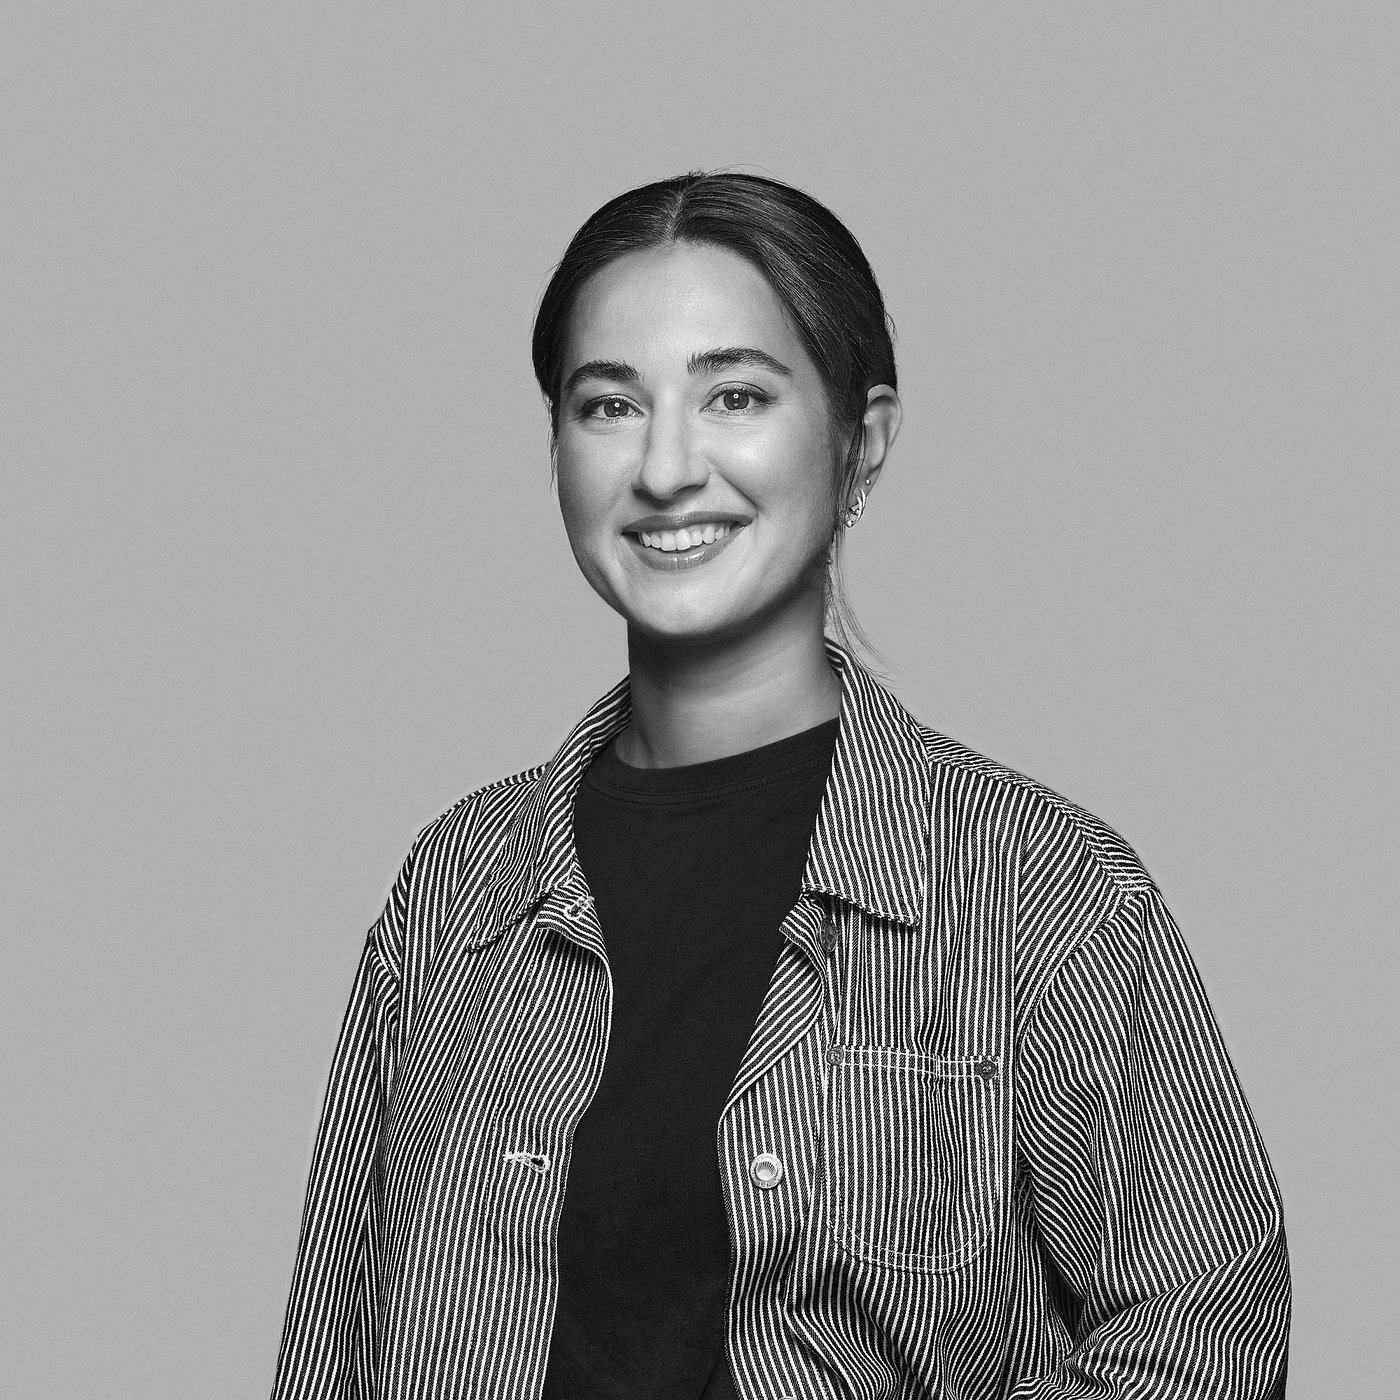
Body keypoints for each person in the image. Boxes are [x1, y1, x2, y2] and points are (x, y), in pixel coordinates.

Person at [271, 172, 1289, 1400]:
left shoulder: (1040, 889)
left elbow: (1206, 1336)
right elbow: (327, 1352)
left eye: (734, 395)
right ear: (553, 447)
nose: (662, 466)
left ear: (860, 441)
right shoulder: (454, 888)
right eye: (607, 405)